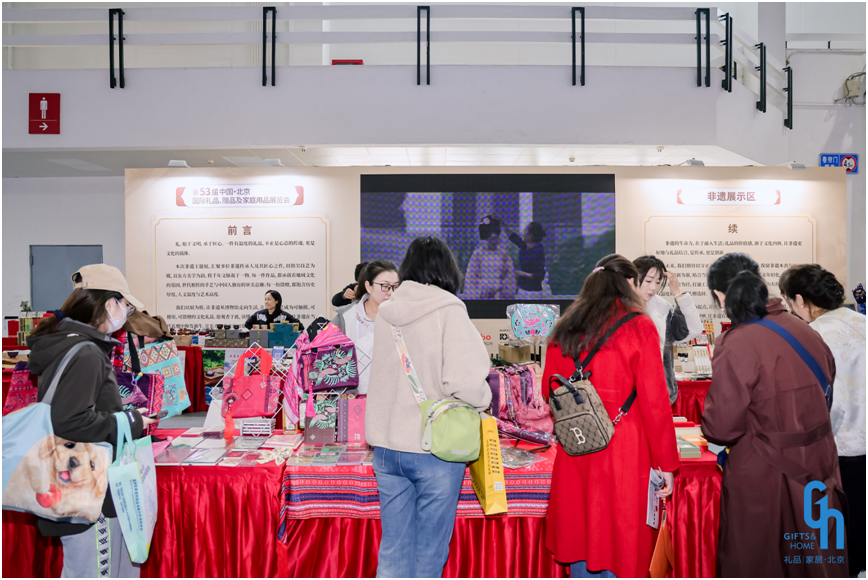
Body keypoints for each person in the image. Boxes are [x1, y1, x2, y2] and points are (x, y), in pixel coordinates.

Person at [701, 253, 848, 577]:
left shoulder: (736, 341)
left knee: (760, 560)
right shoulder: (805, 329)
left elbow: (721, 428)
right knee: (815, 557)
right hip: (819, 464)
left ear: (721, 296)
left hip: (765, 472)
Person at [543, 254, 679, 579]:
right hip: (624, 445)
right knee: (621, 532)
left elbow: (550, 389)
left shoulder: (566, 324)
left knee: (580, 529)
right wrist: (666, 464)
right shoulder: (638, 325)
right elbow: (655, 403)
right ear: (629, 282)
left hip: (577, 441)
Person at [366, 236, 492, 578]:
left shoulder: (386, 312)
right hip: (435, 447)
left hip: (387, 447)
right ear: (447, 269)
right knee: (429, 553)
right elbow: (465, 382)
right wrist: (484, 400)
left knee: (393, 551)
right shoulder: (449, 310)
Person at [26, 264, 156, 578]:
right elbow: (70, 421)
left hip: (78, 482)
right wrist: (131, 421)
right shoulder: (86, 353)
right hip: (90, 490)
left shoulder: (69, 344)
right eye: (125, 305)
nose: (126, 313)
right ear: (109, 304)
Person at [780, 264, 865, 577]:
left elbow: (813, 400)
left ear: (801, 300)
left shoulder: (813, 334)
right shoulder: (861, 321)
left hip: (838, 447)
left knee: (837, 532)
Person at [633, 255, 703, 404]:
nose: (653, 287)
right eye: (648, 281)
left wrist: (678, 294)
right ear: (632, 278)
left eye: (658, 282)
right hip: (626, 391)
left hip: (658, 391)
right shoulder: (617, 308)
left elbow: (693, 330)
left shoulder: (663, 308)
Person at [331, 259, 399, 395]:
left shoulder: (403, 318)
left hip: (393, 398)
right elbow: (328, 364)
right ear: (368, 286)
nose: (391, 292)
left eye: (395, 287)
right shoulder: (345, 318)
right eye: (385, 286)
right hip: (354, 400)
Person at [462, 215, 516, 300]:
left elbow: (510, 279)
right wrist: (485, 289)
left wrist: (500, 289)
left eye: (495, 238)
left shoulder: (504, 255)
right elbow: (471, 281)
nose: (493, 241)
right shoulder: (477, 255)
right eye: (491, 239)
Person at [507, 221, 551, 298]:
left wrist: (522, 274)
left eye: (525, 231)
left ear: (530, 236)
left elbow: (539, 275)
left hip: (533, 293)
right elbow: (513, 237)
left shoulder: (538, 251)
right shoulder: (524, 246)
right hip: (522, 290)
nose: (522, 233)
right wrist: (502, 224)